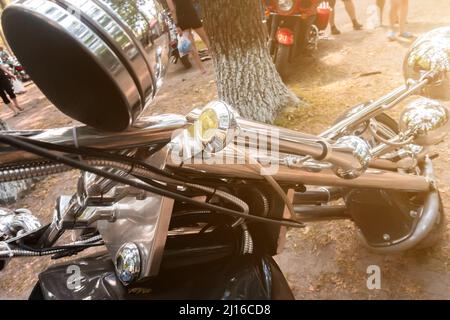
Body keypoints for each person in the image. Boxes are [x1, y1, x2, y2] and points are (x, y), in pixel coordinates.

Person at [166, 0, 210, 74]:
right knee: (205, 38)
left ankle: (202, 69)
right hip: (191, 12)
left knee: (191, 45)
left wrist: (177, 25)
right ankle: (216, 59)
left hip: (181, 18)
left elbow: (172, 10)